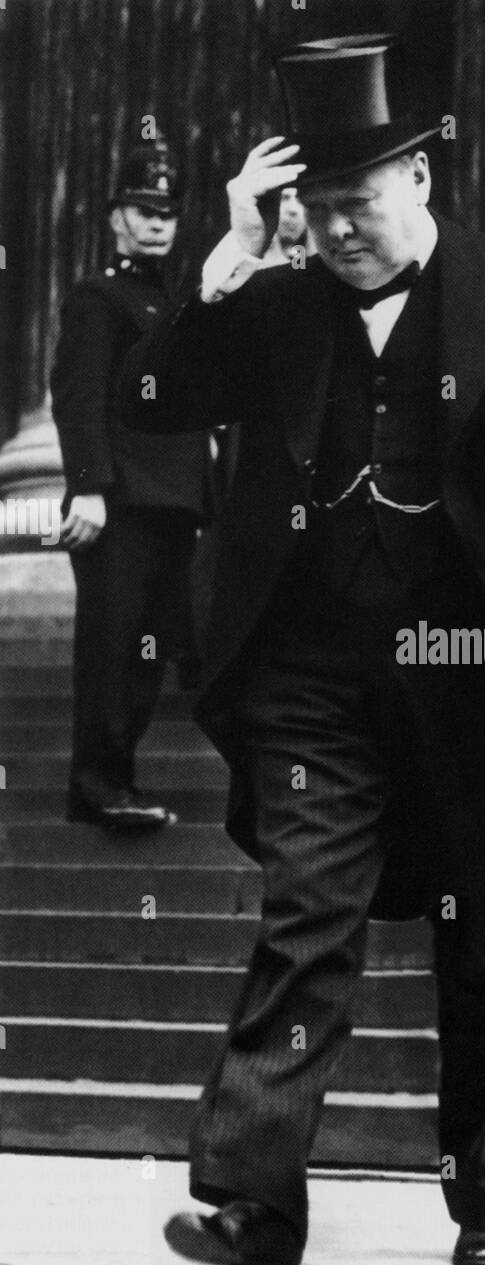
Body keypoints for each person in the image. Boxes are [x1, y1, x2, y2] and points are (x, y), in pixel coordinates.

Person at [119, 34, 485, 1265]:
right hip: (313, 674)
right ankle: (254, 1204)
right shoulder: (279, 296)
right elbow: (148, 402)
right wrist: (232, 258)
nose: (338, 230)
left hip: (477, 670)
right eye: (315, 208)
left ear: (419, 175)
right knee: (307, 916)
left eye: (357, 203)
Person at [50, 139, 209, 828]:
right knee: (113, 651)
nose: (155, 225)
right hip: (118, 505)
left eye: (167, 214)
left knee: (148, 655)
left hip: (172, 508)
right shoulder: (97, 297)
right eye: (142, 211)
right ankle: (97, 787)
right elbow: (77, 394)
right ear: (115, 217)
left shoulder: (175, 303)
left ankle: (120, 784)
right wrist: (87, 485)